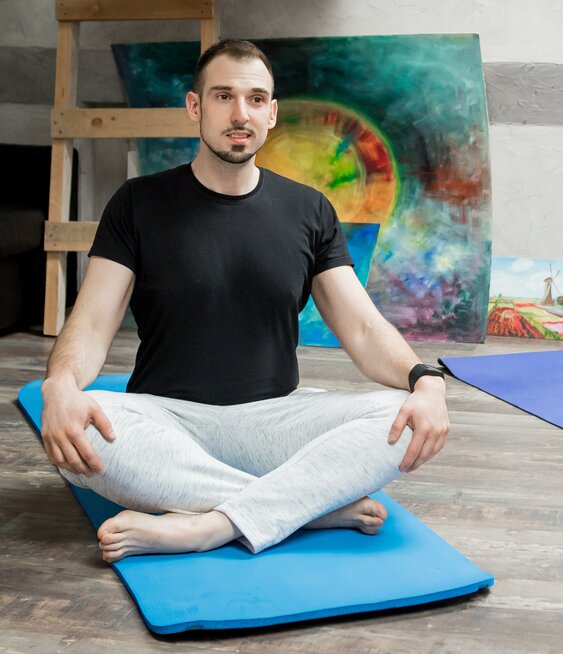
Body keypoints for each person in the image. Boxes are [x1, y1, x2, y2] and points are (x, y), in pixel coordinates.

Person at [39, 40, 450, 561]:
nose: (240, 114)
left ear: (271, 113)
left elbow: (364, 331)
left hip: (275, 423)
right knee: (76, 430)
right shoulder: (137, 202)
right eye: (223, 96)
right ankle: (308, 508)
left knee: (401, 414)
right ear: (195, 106)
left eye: (255, 99)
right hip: (166, 421)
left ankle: (208, 524)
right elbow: (93, 322)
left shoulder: (310, 210)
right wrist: (59, 386)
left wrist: (425, 380)